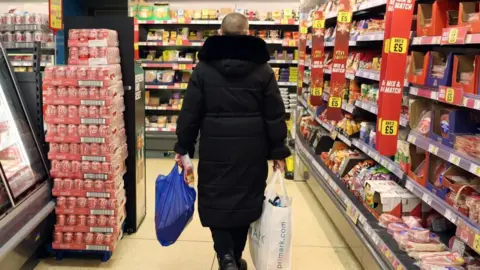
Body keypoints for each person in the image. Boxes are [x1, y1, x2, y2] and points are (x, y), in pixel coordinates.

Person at [174, 12, 290, 270]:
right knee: (246, 199)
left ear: (220, 33)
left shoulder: (203, 69)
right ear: (248, 33)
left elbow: (190, 112)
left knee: (216, 198)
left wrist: (183, 146)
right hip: (252, 150)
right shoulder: (263, 70)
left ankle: (225, 256)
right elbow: (274, 114)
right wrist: (278, 151)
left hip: (216, 149)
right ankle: (234, 256)